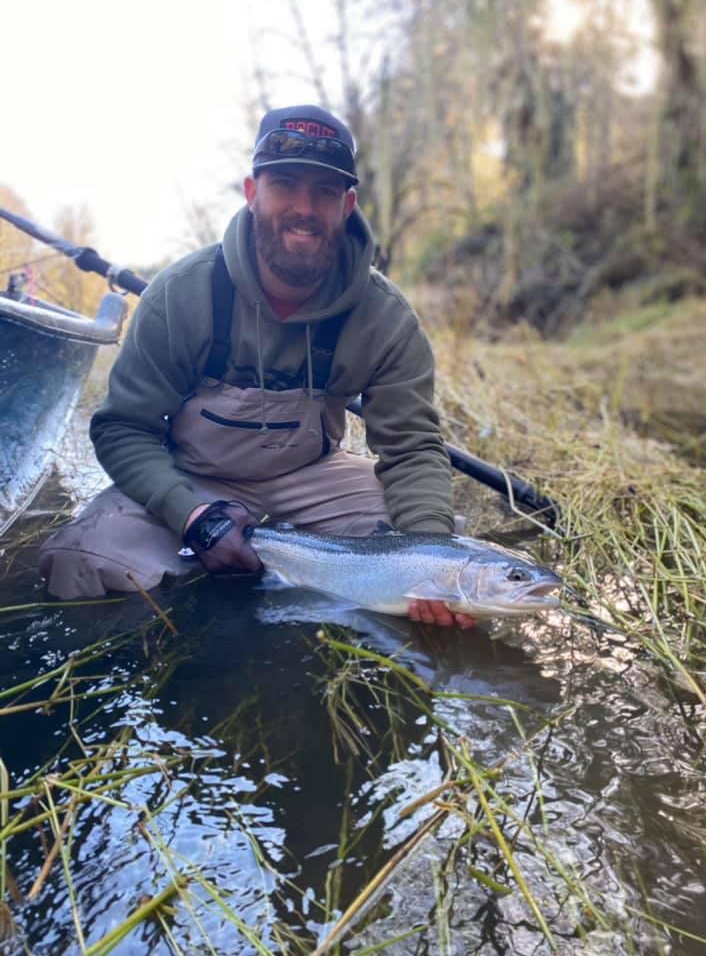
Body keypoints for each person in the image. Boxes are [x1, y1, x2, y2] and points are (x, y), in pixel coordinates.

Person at [39, 104, 473, 627]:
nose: (304, 208)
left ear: (347, 205)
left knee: (445, 550)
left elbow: (412, 450)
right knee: (82, 566)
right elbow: (123, 429)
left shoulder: (385, 317)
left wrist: (429, 561)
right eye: (285, 184)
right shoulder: (181, 295)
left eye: (325, 192)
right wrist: (192, 516)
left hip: (315, 477)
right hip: (194, 477)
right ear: (252, 193)